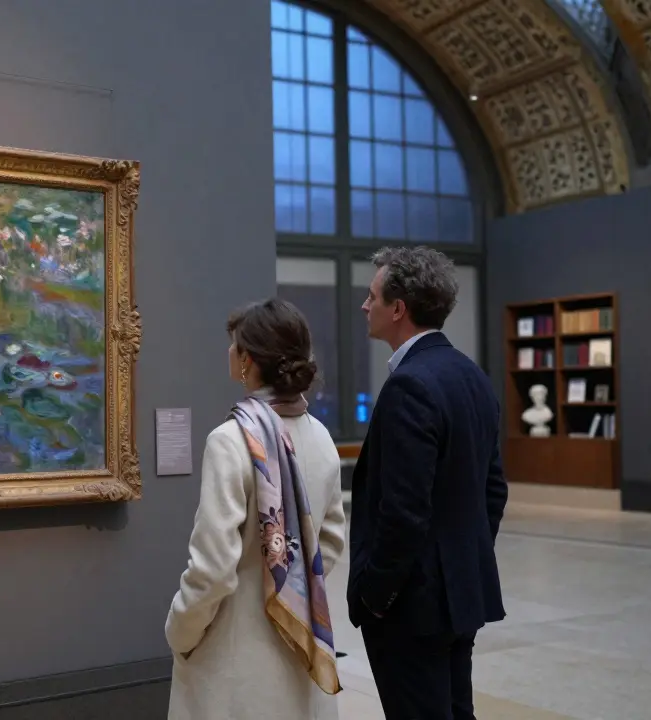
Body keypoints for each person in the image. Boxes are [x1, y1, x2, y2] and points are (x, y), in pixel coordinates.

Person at [165, 298, 347, 720]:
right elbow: (330, 542)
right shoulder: (320, 436)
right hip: (300, 642)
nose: (229, 352)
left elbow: (212, 567)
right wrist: (292, 590)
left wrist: (181, 630)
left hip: (235, 656)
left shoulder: (230, 441)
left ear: (247, 360)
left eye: (234, 345)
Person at [349, 246, 508, 719]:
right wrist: (460, 559)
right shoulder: (472, 375)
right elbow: (493, 490)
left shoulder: (410, 385)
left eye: (372, 296)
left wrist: (376, 595)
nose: (364, 305)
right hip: (459, 594)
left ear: (398, 308)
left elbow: (403, 511)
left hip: (413, 607)